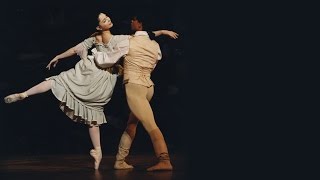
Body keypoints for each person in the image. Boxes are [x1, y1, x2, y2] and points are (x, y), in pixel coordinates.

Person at [3, 12, 178, 170]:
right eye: (104, 19)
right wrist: (162, 32)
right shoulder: (141, 43)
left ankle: (154, 159)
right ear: (99, 26)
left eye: (107, 18)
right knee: (112, 119)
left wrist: (86, 57)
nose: (108, 19)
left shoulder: (123, 41)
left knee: (139, 123)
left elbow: (102, 56)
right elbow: (147, 37)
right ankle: (121, 159)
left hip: (114, 80)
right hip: (133, 84)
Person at [113, 14, 174, 171]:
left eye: (133, 19)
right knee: (132, 124)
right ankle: (120, 160)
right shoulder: (155, 45)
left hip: (134, 86)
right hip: (148, 87)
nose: (131, 21)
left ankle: (164, 159)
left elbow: (106, 59)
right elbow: (152, 65)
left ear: (140, 24)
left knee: (150, 125)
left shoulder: (128, 41)